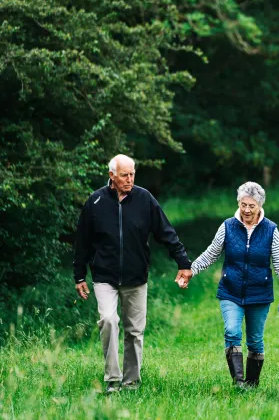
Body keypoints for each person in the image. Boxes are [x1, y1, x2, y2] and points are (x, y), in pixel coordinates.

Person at [73, 154, 193, 394]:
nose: (129, 179)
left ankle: (131, 382)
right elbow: (82, 242)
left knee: (134, 331)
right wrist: (79, 276)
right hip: (104, 277)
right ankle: (113, 380)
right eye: (124, 175)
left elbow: (165, 232)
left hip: (136, 277)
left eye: (132, 174)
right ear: (112, 176)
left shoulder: (144, 199)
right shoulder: (95, 201)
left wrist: (183, 262)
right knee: (108, 320)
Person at [186, 181, 279, 388]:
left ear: (260, 206)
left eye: (251, 206)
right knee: (232, 332)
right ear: (238, 203)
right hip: (231, 290)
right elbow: (211, 253)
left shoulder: (271, 230)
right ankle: (238, 383)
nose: (246, 210)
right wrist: (191, 270)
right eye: (243, 204)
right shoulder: (227, 226)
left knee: (254, 340)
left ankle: (252, 384)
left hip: (259, 293)